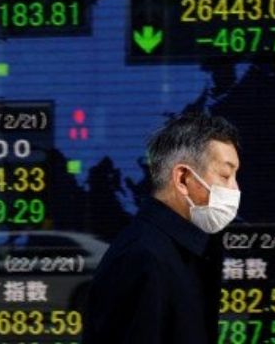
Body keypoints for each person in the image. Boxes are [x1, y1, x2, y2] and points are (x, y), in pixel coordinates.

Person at [82, 113, 241, 344]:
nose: (235, 188)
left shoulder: (181, 251)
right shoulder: (143, 257)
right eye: (226, 175)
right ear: (183, 178)